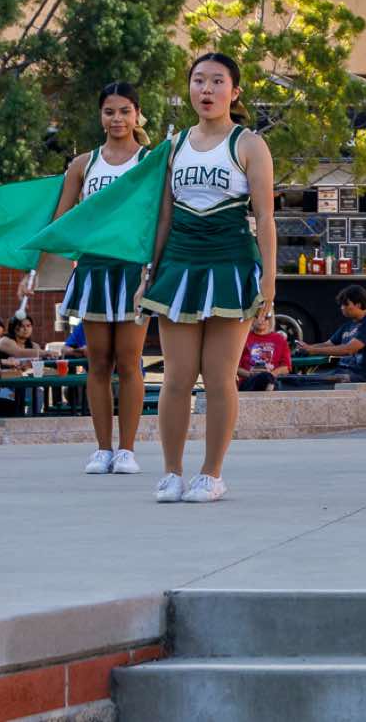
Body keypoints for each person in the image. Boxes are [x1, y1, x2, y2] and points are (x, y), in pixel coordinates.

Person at [140, 52, 277, 504]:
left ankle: (211, 474)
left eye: (218, 81)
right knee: (176, 377)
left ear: (234, 92)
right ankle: (171, 472)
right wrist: (149, 272)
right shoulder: (173, 145)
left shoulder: (249, 145)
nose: (207, 89)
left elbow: (265, 217)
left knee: (219, 377)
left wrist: (269, 282)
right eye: (199, 80)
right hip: (179, 265)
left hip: (230, 264)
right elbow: (162, 217)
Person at [50, 81, 155, 476]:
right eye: (109, 111)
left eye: (125, 111)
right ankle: (102, 449)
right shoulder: (83, 164)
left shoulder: (150, 162)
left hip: (132, 272)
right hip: (93, 270)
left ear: (137, 114)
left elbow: (158, 215)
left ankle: (127, 450)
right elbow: (62, 220)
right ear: (100, 116)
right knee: (98, 362)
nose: (117, 119)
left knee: (129, 361)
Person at [299, 285, 366, 384]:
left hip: (361, 376)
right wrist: (308, 347)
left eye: (346, 304)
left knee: (308, 381)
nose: (342, 308)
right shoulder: (348, 325)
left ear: (358, 305)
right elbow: (328, 344)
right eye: (341, 305)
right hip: (342, 371)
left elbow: (348, 350)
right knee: (302, 379)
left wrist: (313, 350)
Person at [237, 312, 293, 392]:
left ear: (271, 319)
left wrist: (271, 374)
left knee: (267, 378)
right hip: (249, 380)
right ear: (251, 318)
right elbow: (235, 368)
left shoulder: (280, 339)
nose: (261, 320)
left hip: (272, 378)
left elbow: (286, 367)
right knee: (265, 379)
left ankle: (269, 384)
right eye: (257, 317)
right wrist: (250, 374)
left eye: (266, 317)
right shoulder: (243, 338)